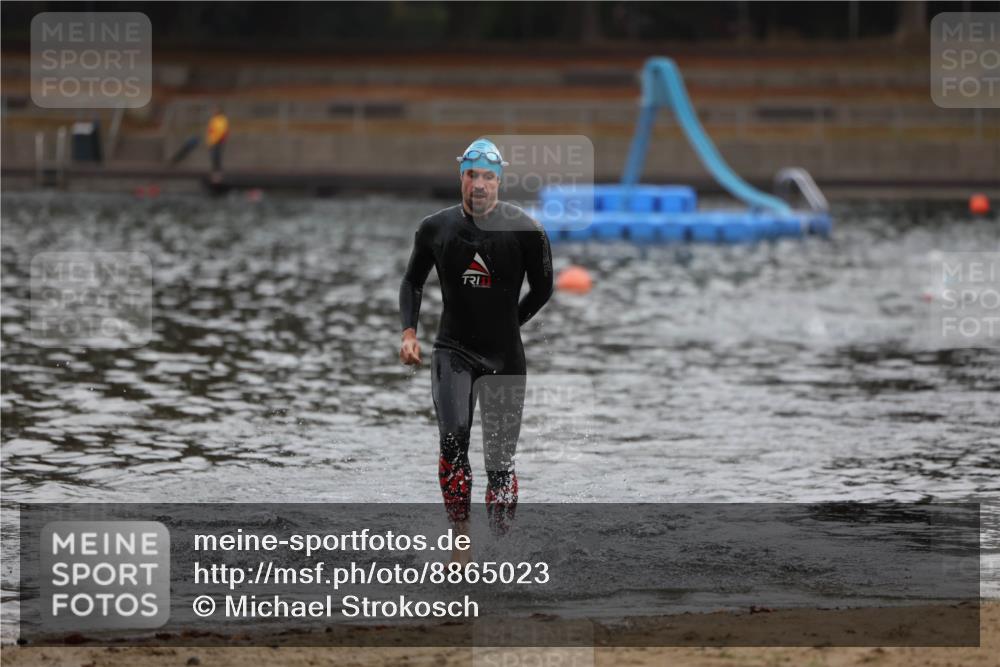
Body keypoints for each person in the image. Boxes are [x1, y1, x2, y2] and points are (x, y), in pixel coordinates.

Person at [399, 138, 553, 566]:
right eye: (471, 175)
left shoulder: (528, 232)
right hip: (453, 351)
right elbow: (412, 281)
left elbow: (543, 290)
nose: (479, 185)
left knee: (500, 463)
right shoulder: (436, 228)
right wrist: (409, 333)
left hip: (505, 358)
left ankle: (502, 548)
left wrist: (509, 325)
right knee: (453, 441)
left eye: (487, 176)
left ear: (499, 181)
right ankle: (462, 542)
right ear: (461, 178)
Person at [205, 105, 229, 182]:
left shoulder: (222, 119)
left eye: (215, 110)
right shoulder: (213, 119)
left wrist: (221, 139)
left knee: (217, 158)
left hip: (219, 141)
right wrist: (209, 140)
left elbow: (224, 130)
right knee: (213, 158)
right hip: (212, 141)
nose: (214, 111)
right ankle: (214, 175)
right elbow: (210, 130)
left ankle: (218, 175)